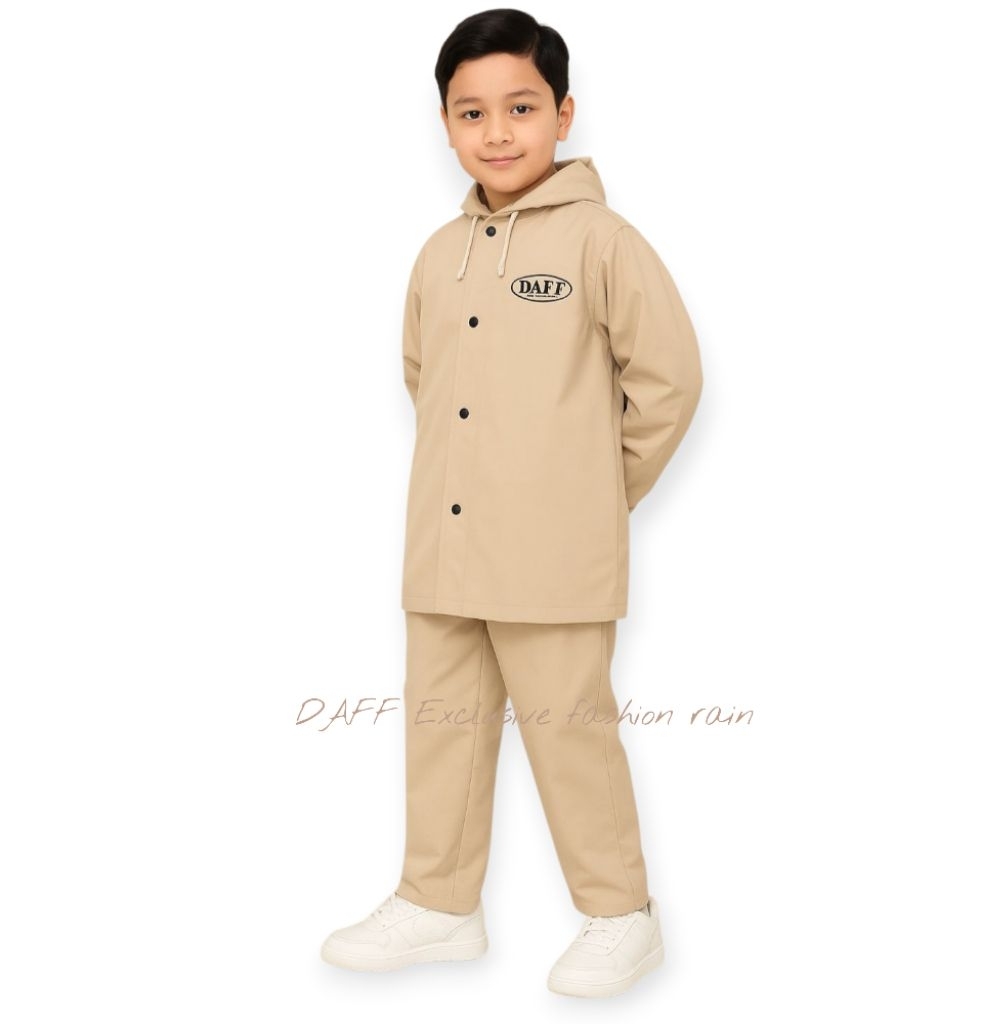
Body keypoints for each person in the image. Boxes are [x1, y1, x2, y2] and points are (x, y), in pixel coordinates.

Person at [321, 8, 702, 999]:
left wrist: (588, 496)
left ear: (564, 114)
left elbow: (668, 384)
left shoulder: (603, 242)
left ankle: (621, 914)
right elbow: (424, 379)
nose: (497, 132)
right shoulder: (435, 254)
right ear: (446, 125)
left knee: (568, 729)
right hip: (443, 548)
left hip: (554, 553)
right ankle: (439, 902)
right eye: (472, 112)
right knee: (440, 725)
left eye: (521, 108)